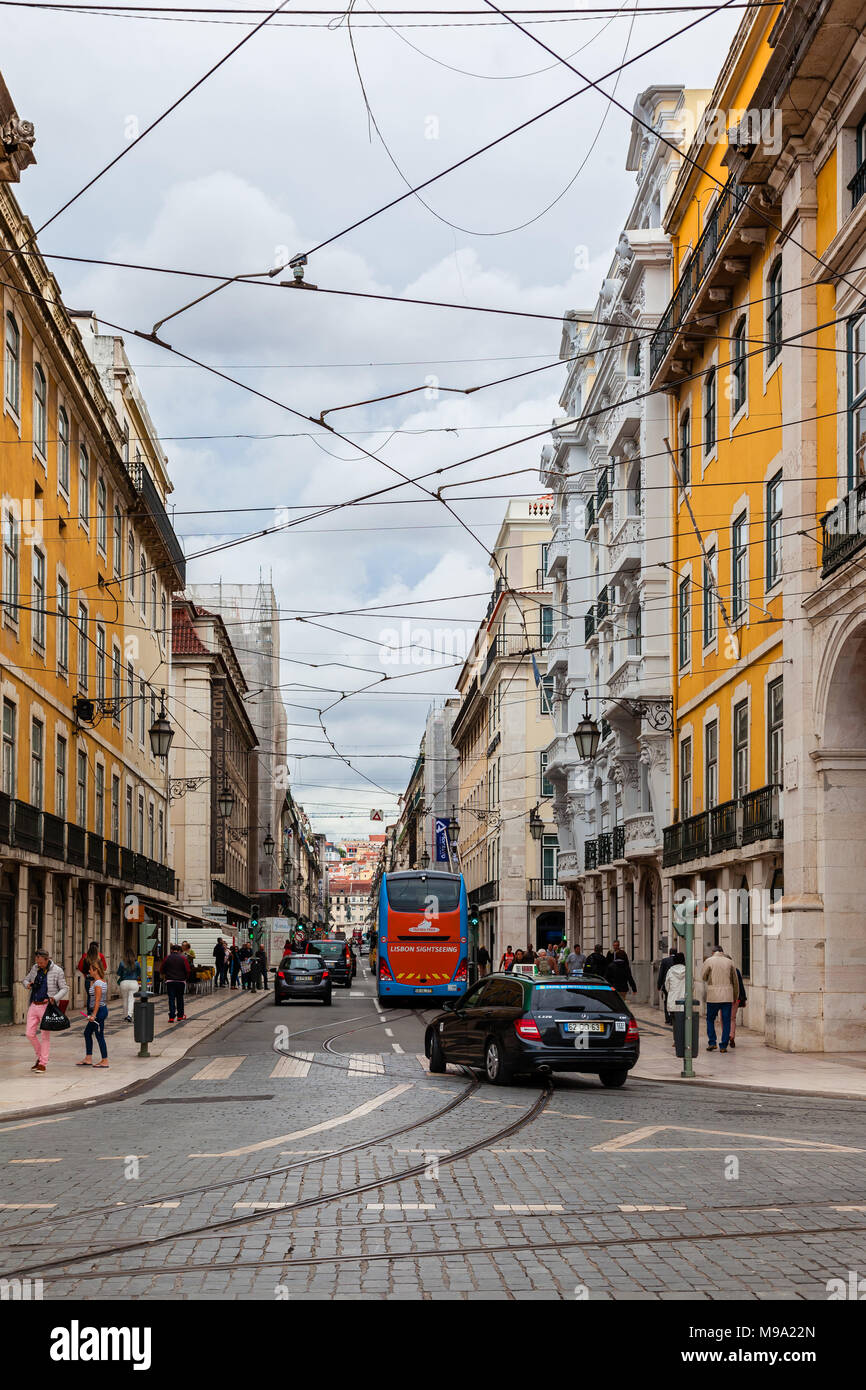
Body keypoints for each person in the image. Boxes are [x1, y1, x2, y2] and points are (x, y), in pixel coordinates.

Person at [22, 948, 68, 1074]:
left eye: (41, 962)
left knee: (44, 1036)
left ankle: (43, 1063)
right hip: (34, 1004)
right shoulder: (35, 968)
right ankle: (40, 1057)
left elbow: (64, 988)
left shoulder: (57, 970)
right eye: (37, 962)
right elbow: (25, 980)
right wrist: (28, 984)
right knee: (29, 1033)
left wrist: (55, 998)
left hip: (46, 1006)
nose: (39, 965)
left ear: (47, 959)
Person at [701, 945, 740, 1053]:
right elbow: (735, 981)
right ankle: (723, 1045)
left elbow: (703, 977)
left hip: (713, 996)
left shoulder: (709, 961)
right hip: (727, 996)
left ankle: (712, 1042)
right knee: (726, 1020)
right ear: (722, 952)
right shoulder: (730, 962)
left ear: (713, 952)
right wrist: (735, 996)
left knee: (710, 1019)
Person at [77, 960, 109, 1068]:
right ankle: (88, 1058)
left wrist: (93, 1015)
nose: (89, 971)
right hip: (99, 1010)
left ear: (95, 970)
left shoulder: (98, 983)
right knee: (87, 1033)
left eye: (90, 969)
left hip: (99, 1011)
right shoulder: (98, 982)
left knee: (99, 1035)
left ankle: (104, 1060)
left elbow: (97, 1000)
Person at [162, 942, 191, 1022]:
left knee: (171, 998)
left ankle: (171, 1016)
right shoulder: (183, 958)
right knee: (180, 998)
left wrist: (166, 975)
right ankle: (180, 1016)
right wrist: (185, 978)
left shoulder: (167, 958)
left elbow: (162, 968)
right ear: (179, 951)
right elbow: (188, 970)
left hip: (170, 981)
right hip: (181, 981)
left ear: (172, 950)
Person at [663, 950, 687, 1045]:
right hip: (685, 999)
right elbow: (692, 986)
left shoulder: (670, 971)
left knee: (675, 1022)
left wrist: (671, 992)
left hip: (673, 999)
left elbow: (667, 985)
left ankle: (676, 1040)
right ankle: (685, 1039)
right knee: (685, 1021)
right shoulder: (687, 970)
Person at [77, 941, 107, 1009]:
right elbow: (104, 967)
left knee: (90, 996)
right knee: (98, 997)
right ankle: (97, 1012)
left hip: (88, 979)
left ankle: (89, 1013)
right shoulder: (100, 956)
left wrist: (86, 973)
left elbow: (80, 967)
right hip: (98, 979)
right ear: (97, 948)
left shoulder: (85, 956)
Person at [116, 950, 142, 1023]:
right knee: (131, 999)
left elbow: (118, 973)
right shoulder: (136, 963)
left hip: (124, 982)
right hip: (134, 983)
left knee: (125, 999)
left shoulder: (122, 963)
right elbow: (139, 973)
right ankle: (129, 1015)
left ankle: (125, 1015)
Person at [657, 944, 678, 1025]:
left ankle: (668, 1019)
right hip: (676, 985)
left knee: (667, 1001)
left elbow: (661, 973)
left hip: (667, 985)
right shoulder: (678, 960)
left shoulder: (665, 961)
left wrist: (659, 985)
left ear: (669, 953)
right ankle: (675, 1018)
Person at [729, 959, 747, 1047]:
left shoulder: (723, 971)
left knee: (723, 1018)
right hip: (736, 998)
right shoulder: (737, 971)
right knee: (732, 1018)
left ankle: (726, 1037)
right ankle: (732, 1036)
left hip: (725, 998)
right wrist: (743, 998)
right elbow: (741, 985)